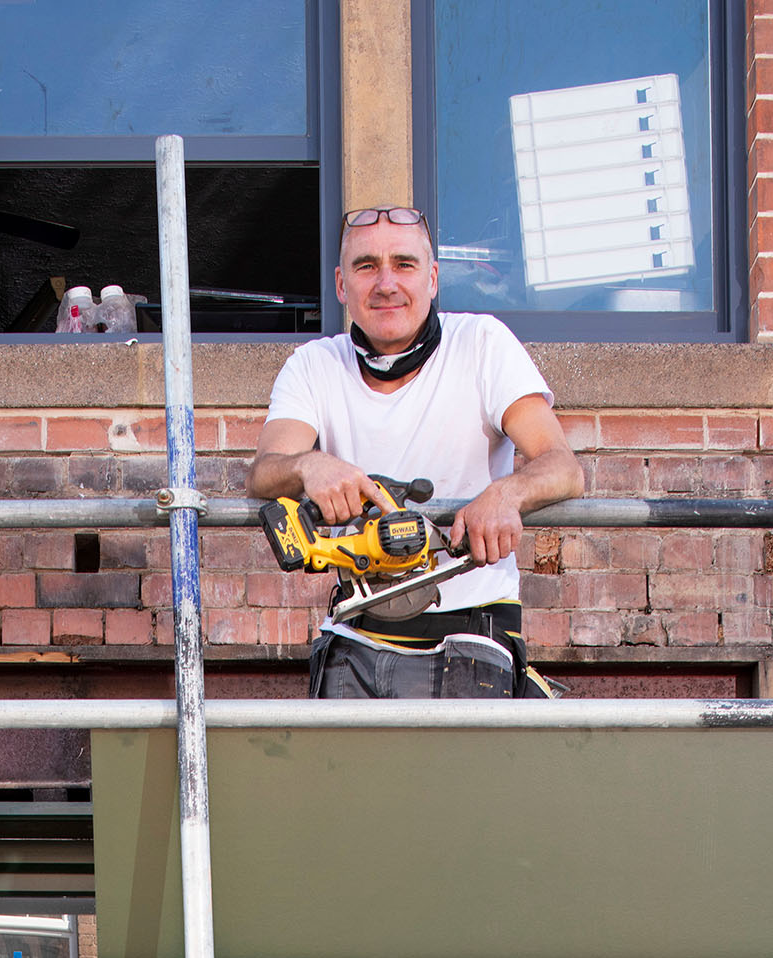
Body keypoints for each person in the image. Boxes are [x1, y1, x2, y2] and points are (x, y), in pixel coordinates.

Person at [247, 205, 585, 699]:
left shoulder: (482, 343)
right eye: (367, 266)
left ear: (432, 278)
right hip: (356, 629)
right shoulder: (313, 365)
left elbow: (563, 466)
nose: (386, 283)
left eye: (404, 264)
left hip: (471, 632)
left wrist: (506, 494)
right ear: (342, 285)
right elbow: (263, 473)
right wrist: (308, 464)